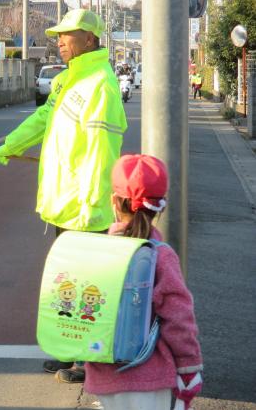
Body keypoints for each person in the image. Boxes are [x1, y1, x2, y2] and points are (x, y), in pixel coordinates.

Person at [0, 8, 127, 384]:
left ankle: (88, 361)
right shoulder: (67, 81)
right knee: (68, 284)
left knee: (89, 287)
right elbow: (43, 119)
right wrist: (9, 145)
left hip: (86, 209)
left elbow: (101, 153)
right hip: (66, 206)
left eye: (68, 34)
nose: (59, 40)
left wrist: (91, 206)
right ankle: (70, 352)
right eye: (58, 35)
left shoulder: (101, 84)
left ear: (91, 40)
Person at [85, 154, 203, 410]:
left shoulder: (97, 251)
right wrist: (189, 367)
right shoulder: (160, 255)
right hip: (149, 377)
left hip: (103, 375)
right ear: (161, 205)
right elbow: (178, 317)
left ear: (114, 202)